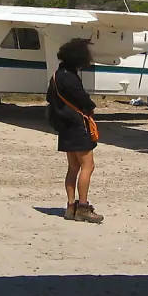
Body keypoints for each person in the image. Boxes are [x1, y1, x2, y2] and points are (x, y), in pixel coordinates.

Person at [47, 37, 104, 223]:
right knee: (88, 167)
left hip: (64, 126)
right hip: (78, 126)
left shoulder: (56, 75)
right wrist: (90, 107)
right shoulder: (71, 77)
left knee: (73, 168)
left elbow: (50, 98)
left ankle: (71, 205)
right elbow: (84, 100)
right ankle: (83, 206)